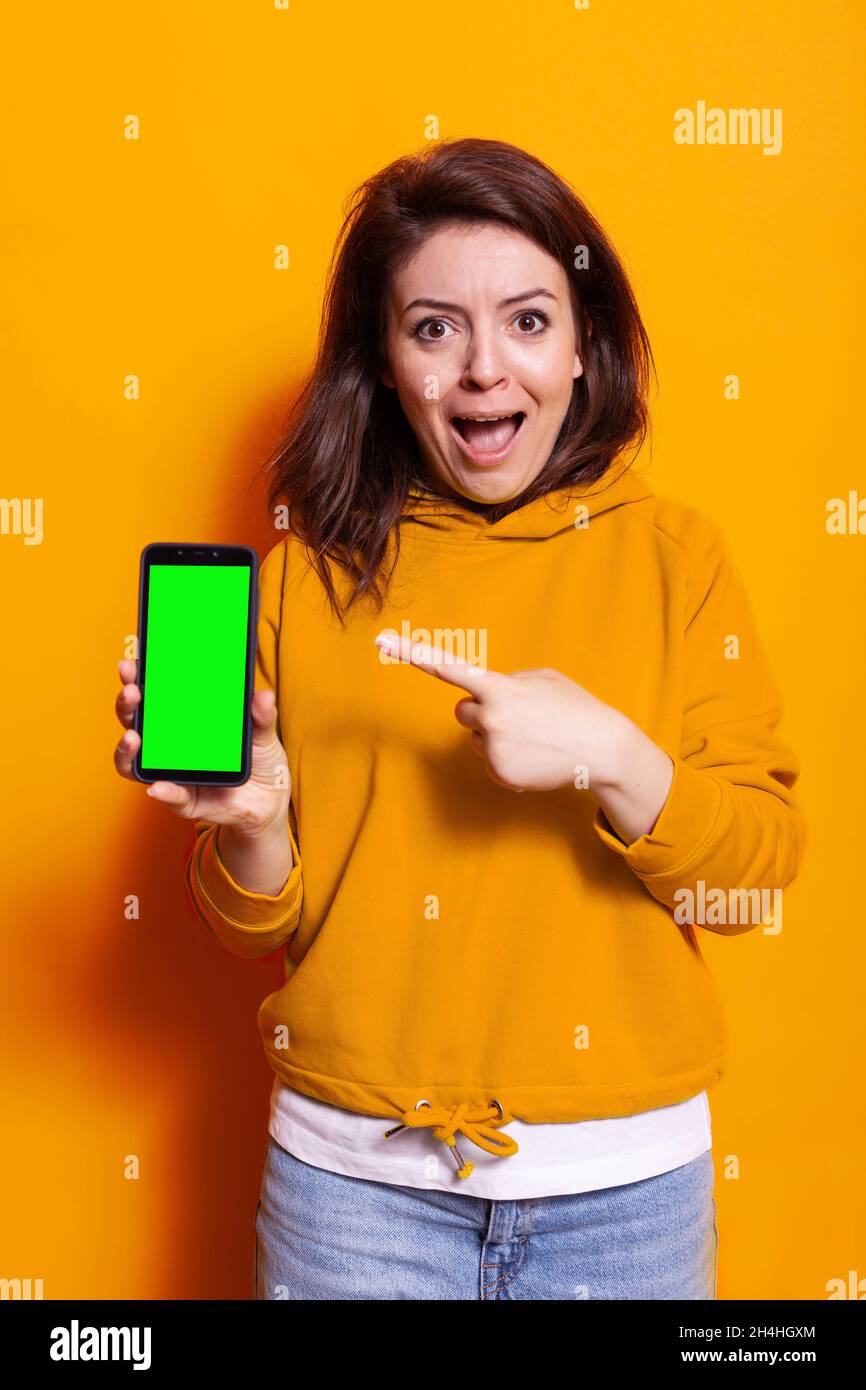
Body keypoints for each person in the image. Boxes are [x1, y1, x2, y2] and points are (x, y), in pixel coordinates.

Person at [114, 137, 804, 1301]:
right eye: (433, 328)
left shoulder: (675, 561)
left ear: (583, 348)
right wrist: (250, 819)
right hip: (352, 1195)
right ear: (383, 362)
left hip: (624, 1197)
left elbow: (755, 874)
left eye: (528, 321)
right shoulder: (301, 580)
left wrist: (609, 756)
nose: (485, 369)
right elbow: (253, 922)